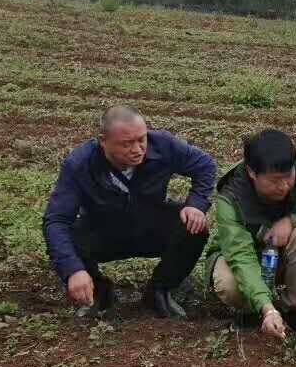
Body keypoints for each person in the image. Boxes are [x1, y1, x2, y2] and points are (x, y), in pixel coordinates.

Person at [43, 105, 216, 319]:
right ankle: (99, 293)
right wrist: (73, 270)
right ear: (103, 141)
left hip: (150, 225)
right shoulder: (79, 164)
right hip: (104, 230)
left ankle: (160, 290)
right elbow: (56, 220)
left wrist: (196, 204)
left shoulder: (163, 145)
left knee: (194, 227)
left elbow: (205, 165)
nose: (137, 149)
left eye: (141, 139)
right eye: (126, 144)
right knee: (66, 237)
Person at [204, 129, 296, 338]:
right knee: (229, 283)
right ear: (251, 172)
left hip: (285, 256)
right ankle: (254, 311)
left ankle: (294, 310)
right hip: (251, 257)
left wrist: (293, 221)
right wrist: (267, 307)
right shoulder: (230, 196)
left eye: (289, 177)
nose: (284, 186)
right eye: (275, 180)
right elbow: (240, 255)